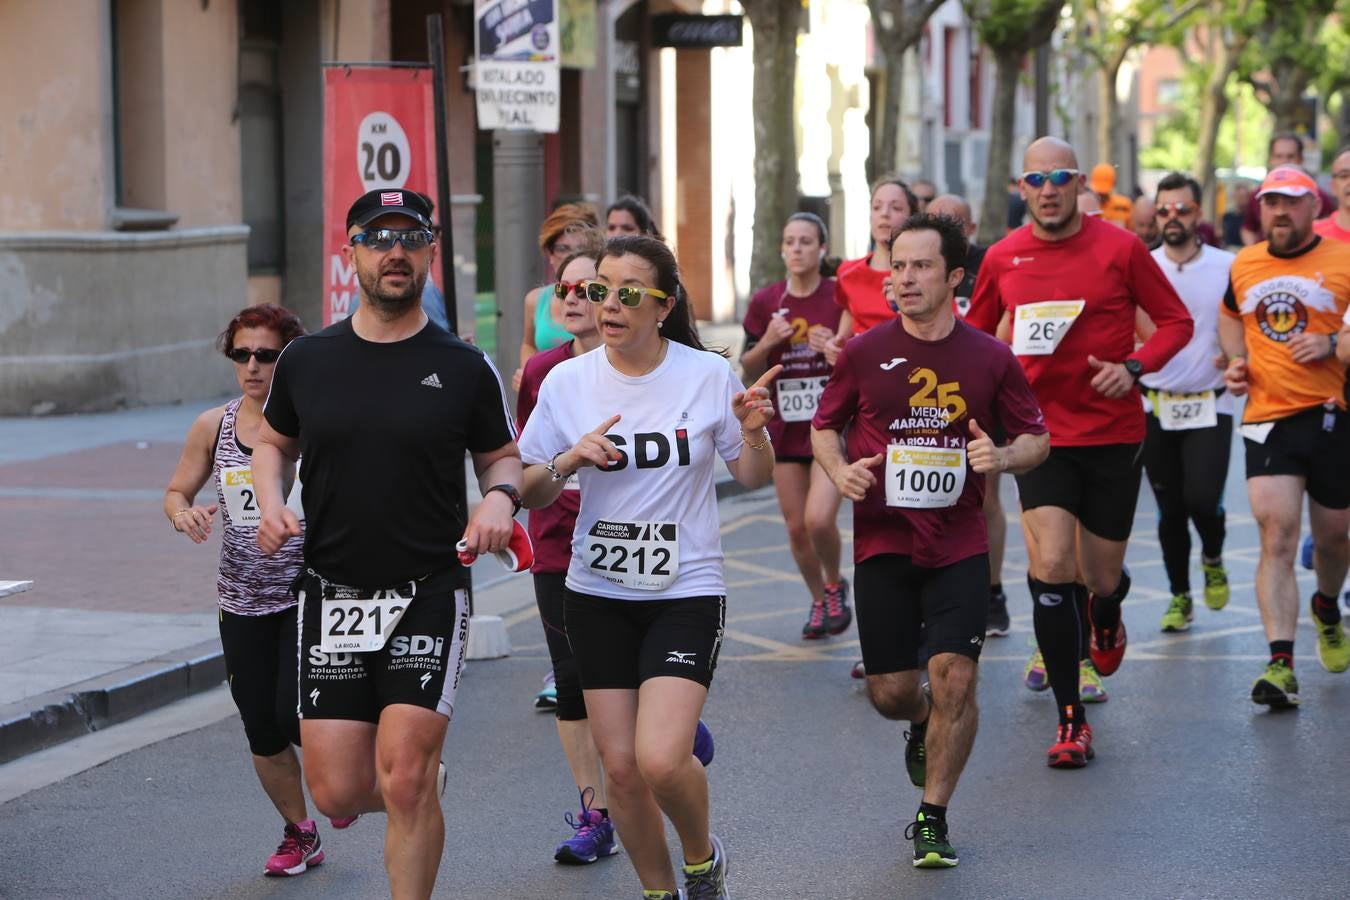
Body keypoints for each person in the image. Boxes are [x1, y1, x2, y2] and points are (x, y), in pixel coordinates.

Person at [252, 189, 522, 900]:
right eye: (378, 238)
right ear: (353, 255)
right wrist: (272, 499)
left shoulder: (463, 365)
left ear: (431, 252)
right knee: (339, 792)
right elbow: (273, 444)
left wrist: (498, 497)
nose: (394, 251)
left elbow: (501, 457)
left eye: (410, 238)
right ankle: (421, 783)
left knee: (399, 778)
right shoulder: (308, 359)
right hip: (332, 591)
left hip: (427, 590)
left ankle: (413, 787)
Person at [517, 235, 778, 900]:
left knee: (662, 759)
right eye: (597, 289)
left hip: (685, 588)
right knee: (624, 771)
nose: (607, 303)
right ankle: (659, 890)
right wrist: (569, 461)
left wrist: (752, 428)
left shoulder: (704, 374)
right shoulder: (566, 382)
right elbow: (530, 486)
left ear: (663, 306)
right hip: (597, 591)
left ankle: (701, 858)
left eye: (627, 292)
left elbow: (751, 476)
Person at [812, 212, 1049, 868]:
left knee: (955, 676)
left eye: (920, 266)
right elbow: (824, 427)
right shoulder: (863, 352)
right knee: (892, 693)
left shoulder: (990, 358)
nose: (905, 278)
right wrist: (839, 470)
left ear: (954, 277)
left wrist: (1002, 459)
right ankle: (919, 723)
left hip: (959, 542)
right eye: (898, 265)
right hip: (884, 541)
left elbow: (1038, 437)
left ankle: (932, 815)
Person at [967, 137, 1193, 767]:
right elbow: (975, 338)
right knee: (1052, 567)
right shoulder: (1004, 258)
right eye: (1035, 178)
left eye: (1060, 175)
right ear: (1022, 188)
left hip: (1113, 435)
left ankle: (1108, 610)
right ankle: (1071, 719)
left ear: (1078, 184)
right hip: (1038, 438)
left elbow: (1175, 322)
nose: (1048, 188)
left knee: (1098, 575)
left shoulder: (1120, 248)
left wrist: (1134, 366)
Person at [164, 304, 340, 877]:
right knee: (260, 727)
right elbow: (177, 490)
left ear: (290, 357)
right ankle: (300, 831)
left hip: (306, 590)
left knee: (294, 716)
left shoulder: (320, 421)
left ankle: (341, 786)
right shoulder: (213, 426)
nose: (253, 366)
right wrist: (183, 514)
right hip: (241, 595)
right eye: (242, 354)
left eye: (267, 354)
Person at [1220, 165, 1350, 708]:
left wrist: (1333, 342)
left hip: (1331, 413)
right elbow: (1230, 316)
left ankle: (1326, 603)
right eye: (1271, 202)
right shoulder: (1246, 264)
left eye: (1291, 202)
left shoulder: (1343, 260)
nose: (1279, 211)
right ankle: (1280, 662)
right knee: (1276, 533)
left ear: (1313, 208)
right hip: (1268, 415)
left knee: (1334, 538)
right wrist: (1236, 360)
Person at [741, 212, 848, 639]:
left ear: (822, 249)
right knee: (795, 527)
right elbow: (748, 368)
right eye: (791, 241)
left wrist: (837, 349)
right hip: (784, 428)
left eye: (807, 241)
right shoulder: (766, 301)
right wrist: (768, 341)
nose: (798, 248)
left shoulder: (841, 296)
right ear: (782, 249)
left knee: (819, 520)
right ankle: (819, 601)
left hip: (829, 426)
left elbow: (859, 354)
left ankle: (837, 584)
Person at [1137, 173, 1235, 632]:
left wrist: (1237, 356)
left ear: (1199, 214)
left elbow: (1244, 323)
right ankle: (1180, 595)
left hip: (1210, 402)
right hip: (1155, 402)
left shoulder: (1226, 266)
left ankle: (1213, 555)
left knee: (1201, 498)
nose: (1172, 218)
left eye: (1182, 209)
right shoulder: (1143, 264)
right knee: (1169, 508)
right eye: (1163, 210)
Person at [927, 195, 1010, 637]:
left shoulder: (988, 264)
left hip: (978, 393)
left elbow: (1004, 320)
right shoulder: (921, 265)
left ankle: (993, 591)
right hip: (928, 394)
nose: (947, 229)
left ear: (972, 228)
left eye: (955, 222)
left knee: (983, 496)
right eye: (939, 221)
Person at [517, 203, 605, 390]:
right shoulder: (535, 299)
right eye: (563, 248)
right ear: (549, 253)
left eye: (583, 289)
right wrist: (529, 372)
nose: (572, 256)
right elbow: (528, 343)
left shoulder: (606, 298)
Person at [827, 176, 918, 352]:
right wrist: (836, 343)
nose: (884, 213)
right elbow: (849, 310)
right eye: (876, 207)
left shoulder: (924, 273)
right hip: (863, 370)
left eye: (896, 207)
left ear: (912, 217)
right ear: (870, 216)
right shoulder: (847, 271)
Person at [1240, 133, 1336, 245]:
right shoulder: (1258, 194)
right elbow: (1248, 228)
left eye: (1290, 156)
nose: (1284, 161)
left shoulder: (1317, 195)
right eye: (1279, 156)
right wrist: (1254, 253)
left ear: (1300, 159)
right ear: (1271, 159)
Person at [1222, 181, 1252, 248]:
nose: (1242, 199)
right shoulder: (1227, 216)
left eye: (1245, 196)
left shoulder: (1251, 218)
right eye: (1240, 196)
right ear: (1234, 196)